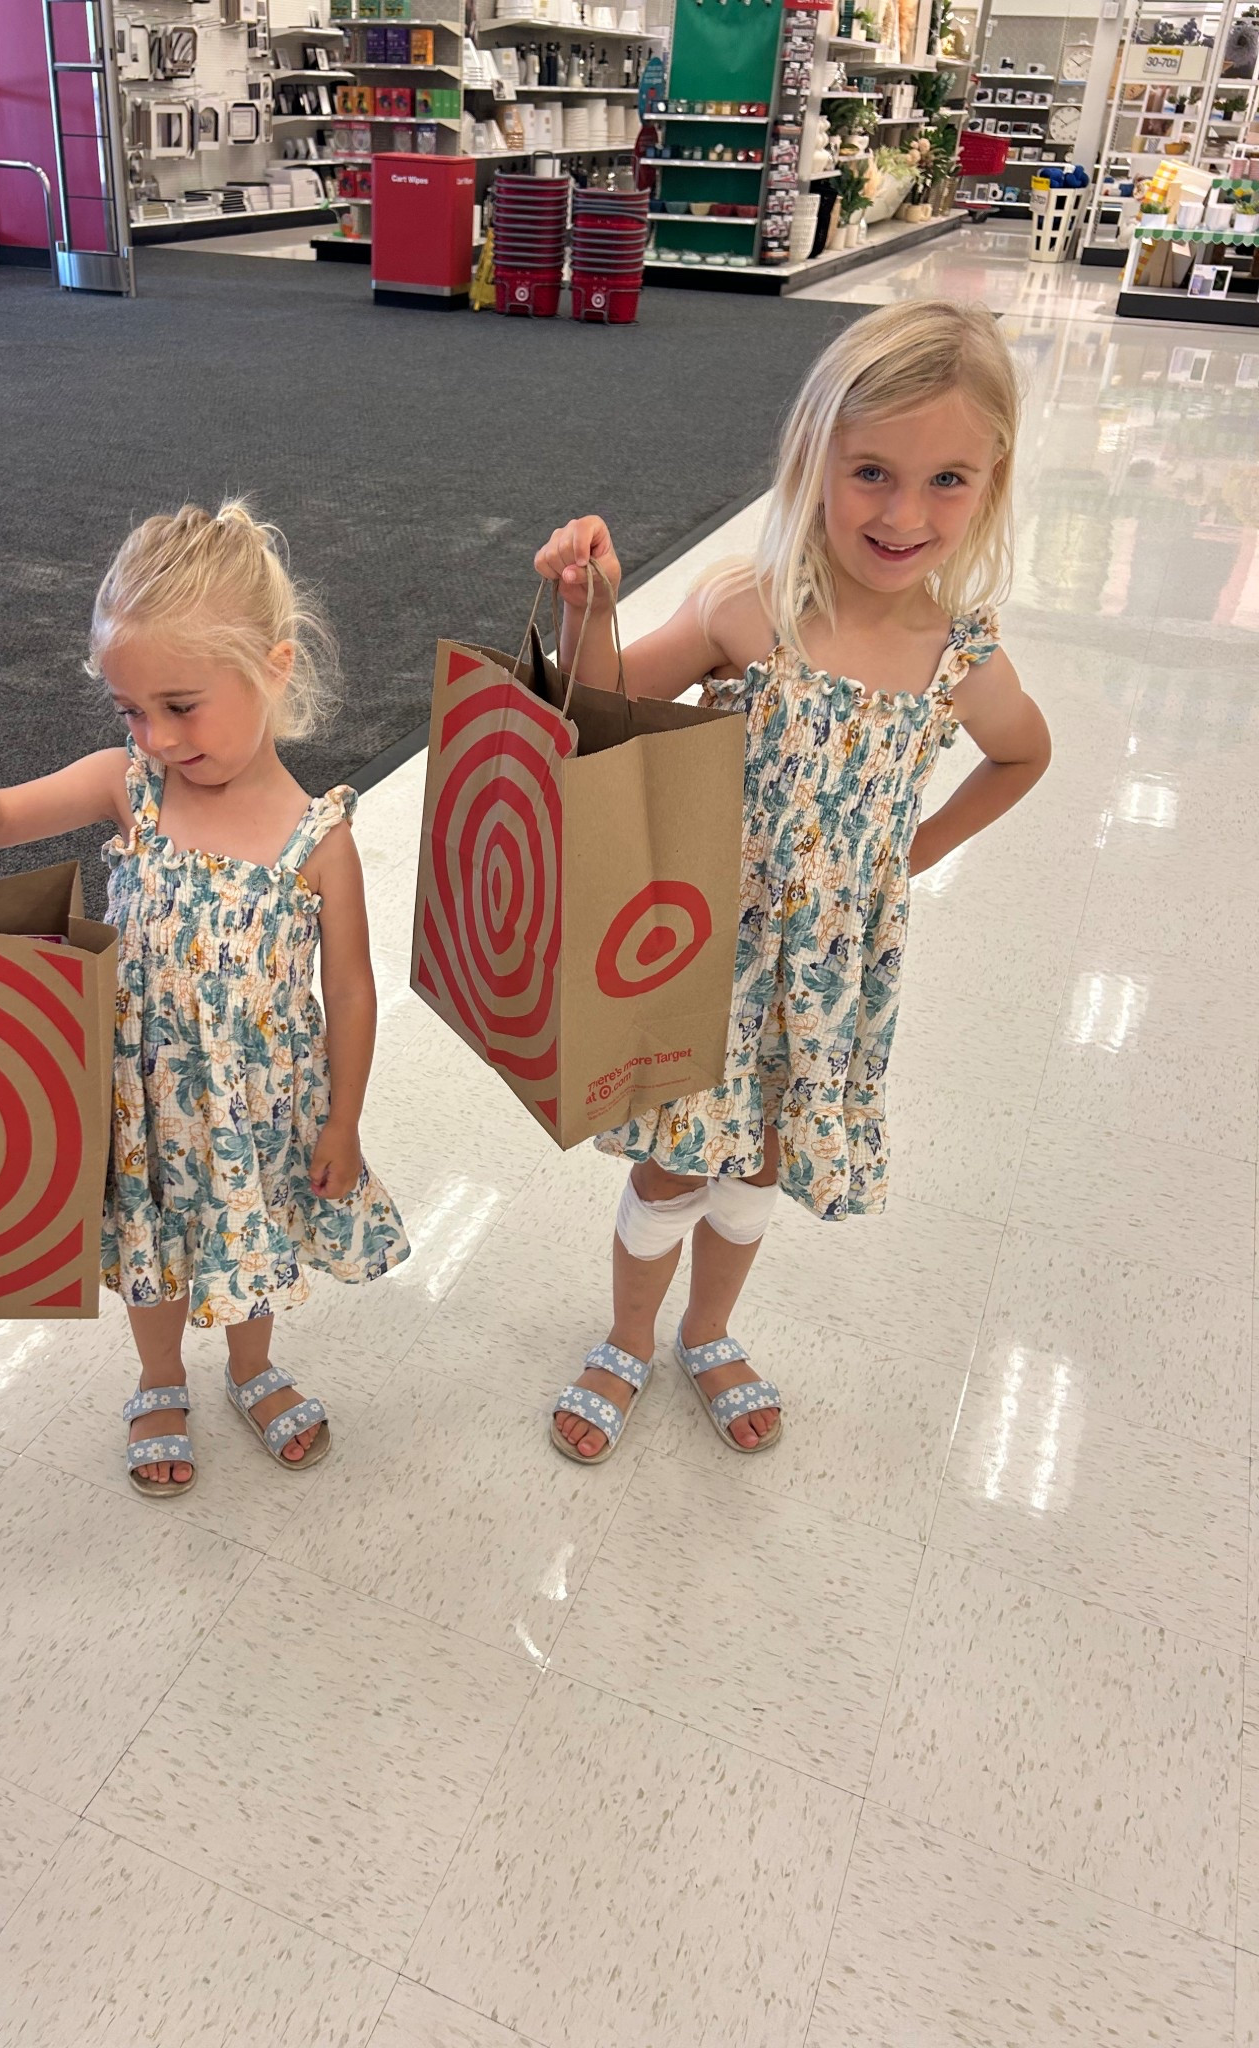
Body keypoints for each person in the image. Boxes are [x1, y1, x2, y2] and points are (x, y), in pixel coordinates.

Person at [533, 299, 1050, 1465]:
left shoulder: (957, 655)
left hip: (824, 984)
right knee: (675, 1158)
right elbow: (595, 707)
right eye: (871, 471)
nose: (904, 513)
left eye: (948, 480)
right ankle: (627, 1336)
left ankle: (710, 1333)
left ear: (993, 481)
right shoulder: (749, 605)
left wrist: (907, 857)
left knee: (759, 1156)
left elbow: (1026, 753)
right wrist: (591, 612)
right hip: (704, 956)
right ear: (815, 457)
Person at [0, 500, 408, 1497]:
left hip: (256, 1106)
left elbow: (354, 986)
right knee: (153, 1246)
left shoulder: (318, 837)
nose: (151, 734)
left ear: (273, 668)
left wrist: (346, 1118)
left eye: (179, 705)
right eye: (130, 709)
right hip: (144, 1101)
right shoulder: (130, 789)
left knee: (246, 1238)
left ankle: (252, 1365)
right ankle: (160, 1377)